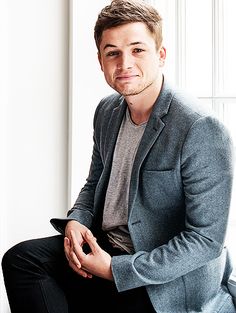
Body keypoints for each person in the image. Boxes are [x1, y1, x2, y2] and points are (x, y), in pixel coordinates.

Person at [2, 0, 236, 312]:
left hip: (164, 274)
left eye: (137, 50)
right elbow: (94, 182)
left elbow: (204, 242)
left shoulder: (200, 127)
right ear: (100, 61)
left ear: (161, 55)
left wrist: (114, 269)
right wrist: (75, 221)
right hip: (109, 244)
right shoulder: (107, 111)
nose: (124, 63)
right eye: (112, 52)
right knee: (22, 260)